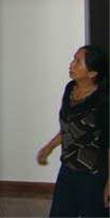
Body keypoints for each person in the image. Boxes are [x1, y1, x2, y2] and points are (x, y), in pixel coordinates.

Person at [37, 45, 109, 217]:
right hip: (68, 169)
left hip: (93, 176)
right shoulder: (70, 89)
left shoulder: (103, 101)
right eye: (73, 59)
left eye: (78, 62)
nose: (71, 64)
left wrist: (109, 184)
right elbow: (68, 128)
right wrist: (49, 147)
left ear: (92, 73)